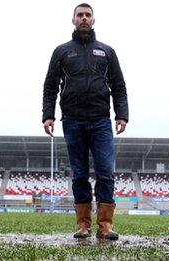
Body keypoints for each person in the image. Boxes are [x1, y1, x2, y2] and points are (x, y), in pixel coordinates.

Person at [42, 3, 128, 240]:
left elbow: (119, 86)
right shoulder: (61, 52)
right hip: (72, 121)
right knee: (79, 174)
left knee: (105, 173)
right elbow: (50, 86)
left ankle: (106, 225)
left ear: (93, 20)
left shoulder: (107, 51)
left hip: (101, 120)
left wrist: (121, 114)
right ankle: (83, 225)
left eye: (87, 15)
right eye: (79, 15)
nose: (83, 18)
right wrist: (48, 115)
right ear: (73, 20)